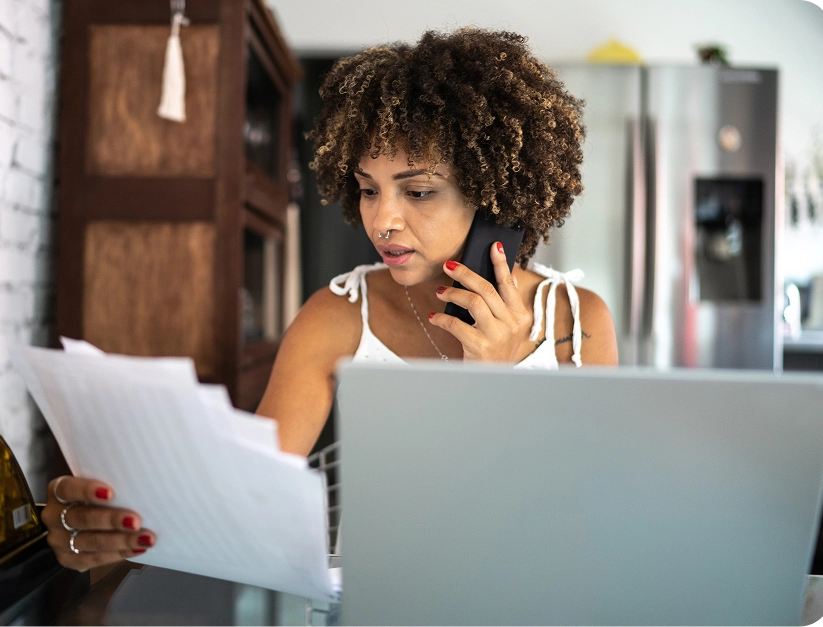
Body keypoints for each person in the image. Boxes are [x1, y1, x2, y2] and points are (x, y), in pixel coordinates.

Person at [42, 27, 618, 571]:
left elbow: (590, 544)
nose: (382, 220)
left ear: (497, 201)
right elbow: (249, 502)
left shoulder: (577, 323)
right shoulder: (338, 315)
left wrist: (492, 391)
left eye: (417, 191)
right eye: (369, 189)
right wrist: (120, 523)